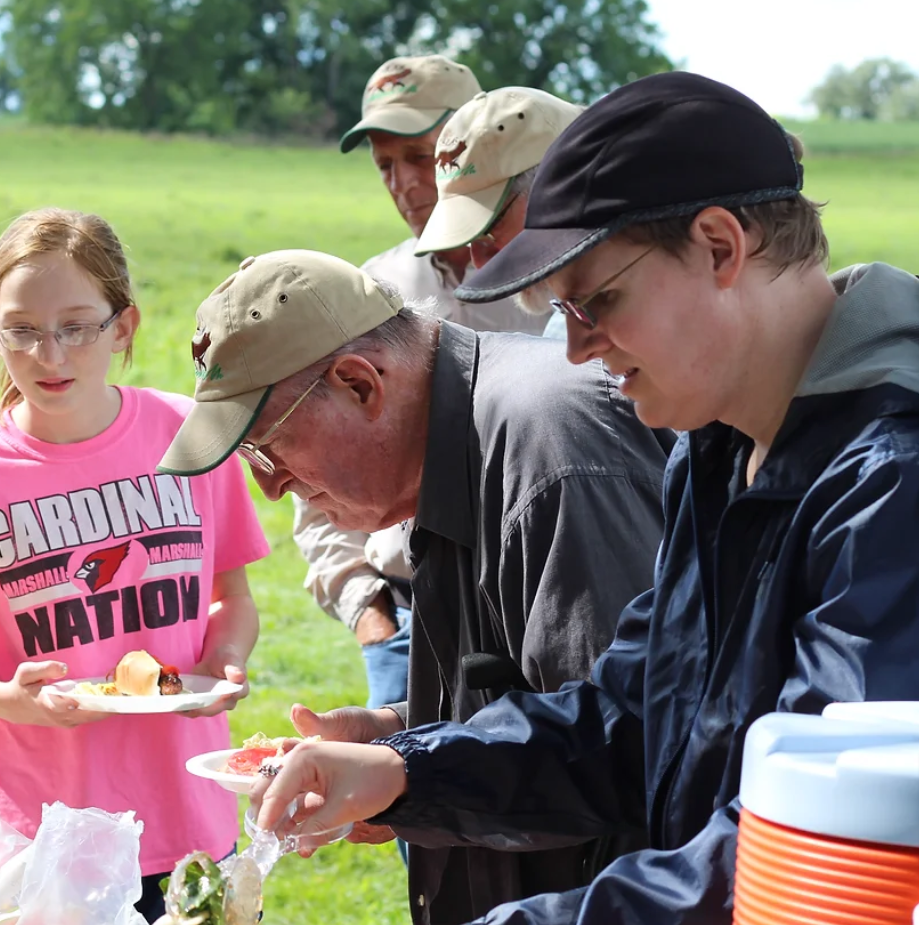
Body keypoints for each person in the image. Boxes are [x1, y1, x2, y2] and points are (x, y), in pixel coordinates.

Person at [254, 72, 919, 925]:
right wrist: (408, 770)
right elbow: (626, 716)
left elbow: (816, 851)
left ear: (720, 247)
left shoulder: (888, 483)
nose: (575, 350)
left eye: (599, 301)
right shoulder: (718, 450)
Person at [157, 248, 671, 924]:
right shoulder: (463, 440)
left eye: (266, 446)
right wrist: (394, 733)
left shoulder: (547, 457)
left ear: (359, 383)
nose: (271, 485)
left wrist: (409, 774)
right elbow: (537, 697)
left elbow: (621, 742)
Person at [0, 208, 269, 923]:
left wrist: (224, 656)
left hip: (193, 816)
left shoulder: (188, 434)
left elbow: (232, 596)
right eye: (23, 330)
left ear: (123, 326)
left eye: (76, 327)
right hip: (54, 836)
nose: (49, 354)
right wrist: (7, 698)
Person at [298, 55, 550, 719]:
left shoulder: (558, 291)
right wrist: (369, 613)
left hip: (537, 604)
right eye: (385, 165)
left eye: (420, 156)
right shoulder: (363, 296)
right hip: (405, 612)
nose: (406, 184)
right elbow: (315, 481)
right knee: (413, 802)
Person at [413, 87, 585, 339]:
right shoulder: (564, 328)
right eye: (471, 237)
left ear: (561, 186)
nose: (480, 262)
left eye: (491, 225)